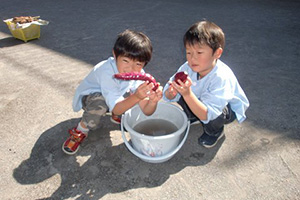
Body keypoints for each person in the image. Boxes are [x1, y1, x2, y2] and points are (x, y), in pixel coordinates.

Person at [63, 29, 163, 155]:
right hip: (90, 97)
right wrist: (136, 96)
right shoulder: (106, 72)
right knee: (101, 103)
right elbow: (117, 108)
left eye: (138, 64)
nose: (130, 69)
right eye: (125, 61)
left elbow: (147, 111)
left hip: (113, 94)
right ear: (115, 55)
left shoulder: (139, 75)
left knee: (131, 96)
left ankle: (115, 111)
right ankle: (81, 130)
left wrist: (153, 102)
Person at [163, 20, 249, 148]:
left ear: (217, 53)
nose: (192, 58)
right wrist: (171, 93)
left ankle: (214, 131)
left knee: (213, 114)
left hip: (225, 108)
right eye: (188, 52)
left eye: (199, 52)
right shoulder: (187, 67)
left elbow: (209, 112)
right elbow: (169, 90)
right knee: (182, 90)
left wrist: (187, 94)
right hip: (201, 99)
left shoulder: (221, 77)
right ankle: (194, 115)